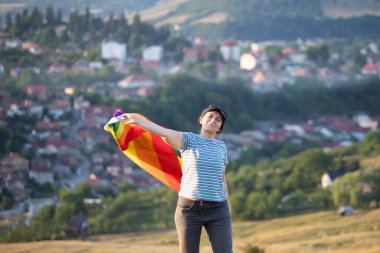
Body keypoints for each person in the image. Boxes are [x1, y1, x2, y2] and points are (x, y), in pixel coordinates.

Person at [119, 104, 232, 253]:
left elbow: (221, 178)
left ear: (219, 128)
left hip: (218, 209)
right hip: (189, 209)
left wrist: (228, 207)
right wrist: (138, 121)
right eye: (210, 116)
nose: (213, 120)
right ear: (201, 120)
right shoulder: (188, 139)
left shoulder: (221, 147)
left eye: (218, 120)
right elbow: (163, 132)